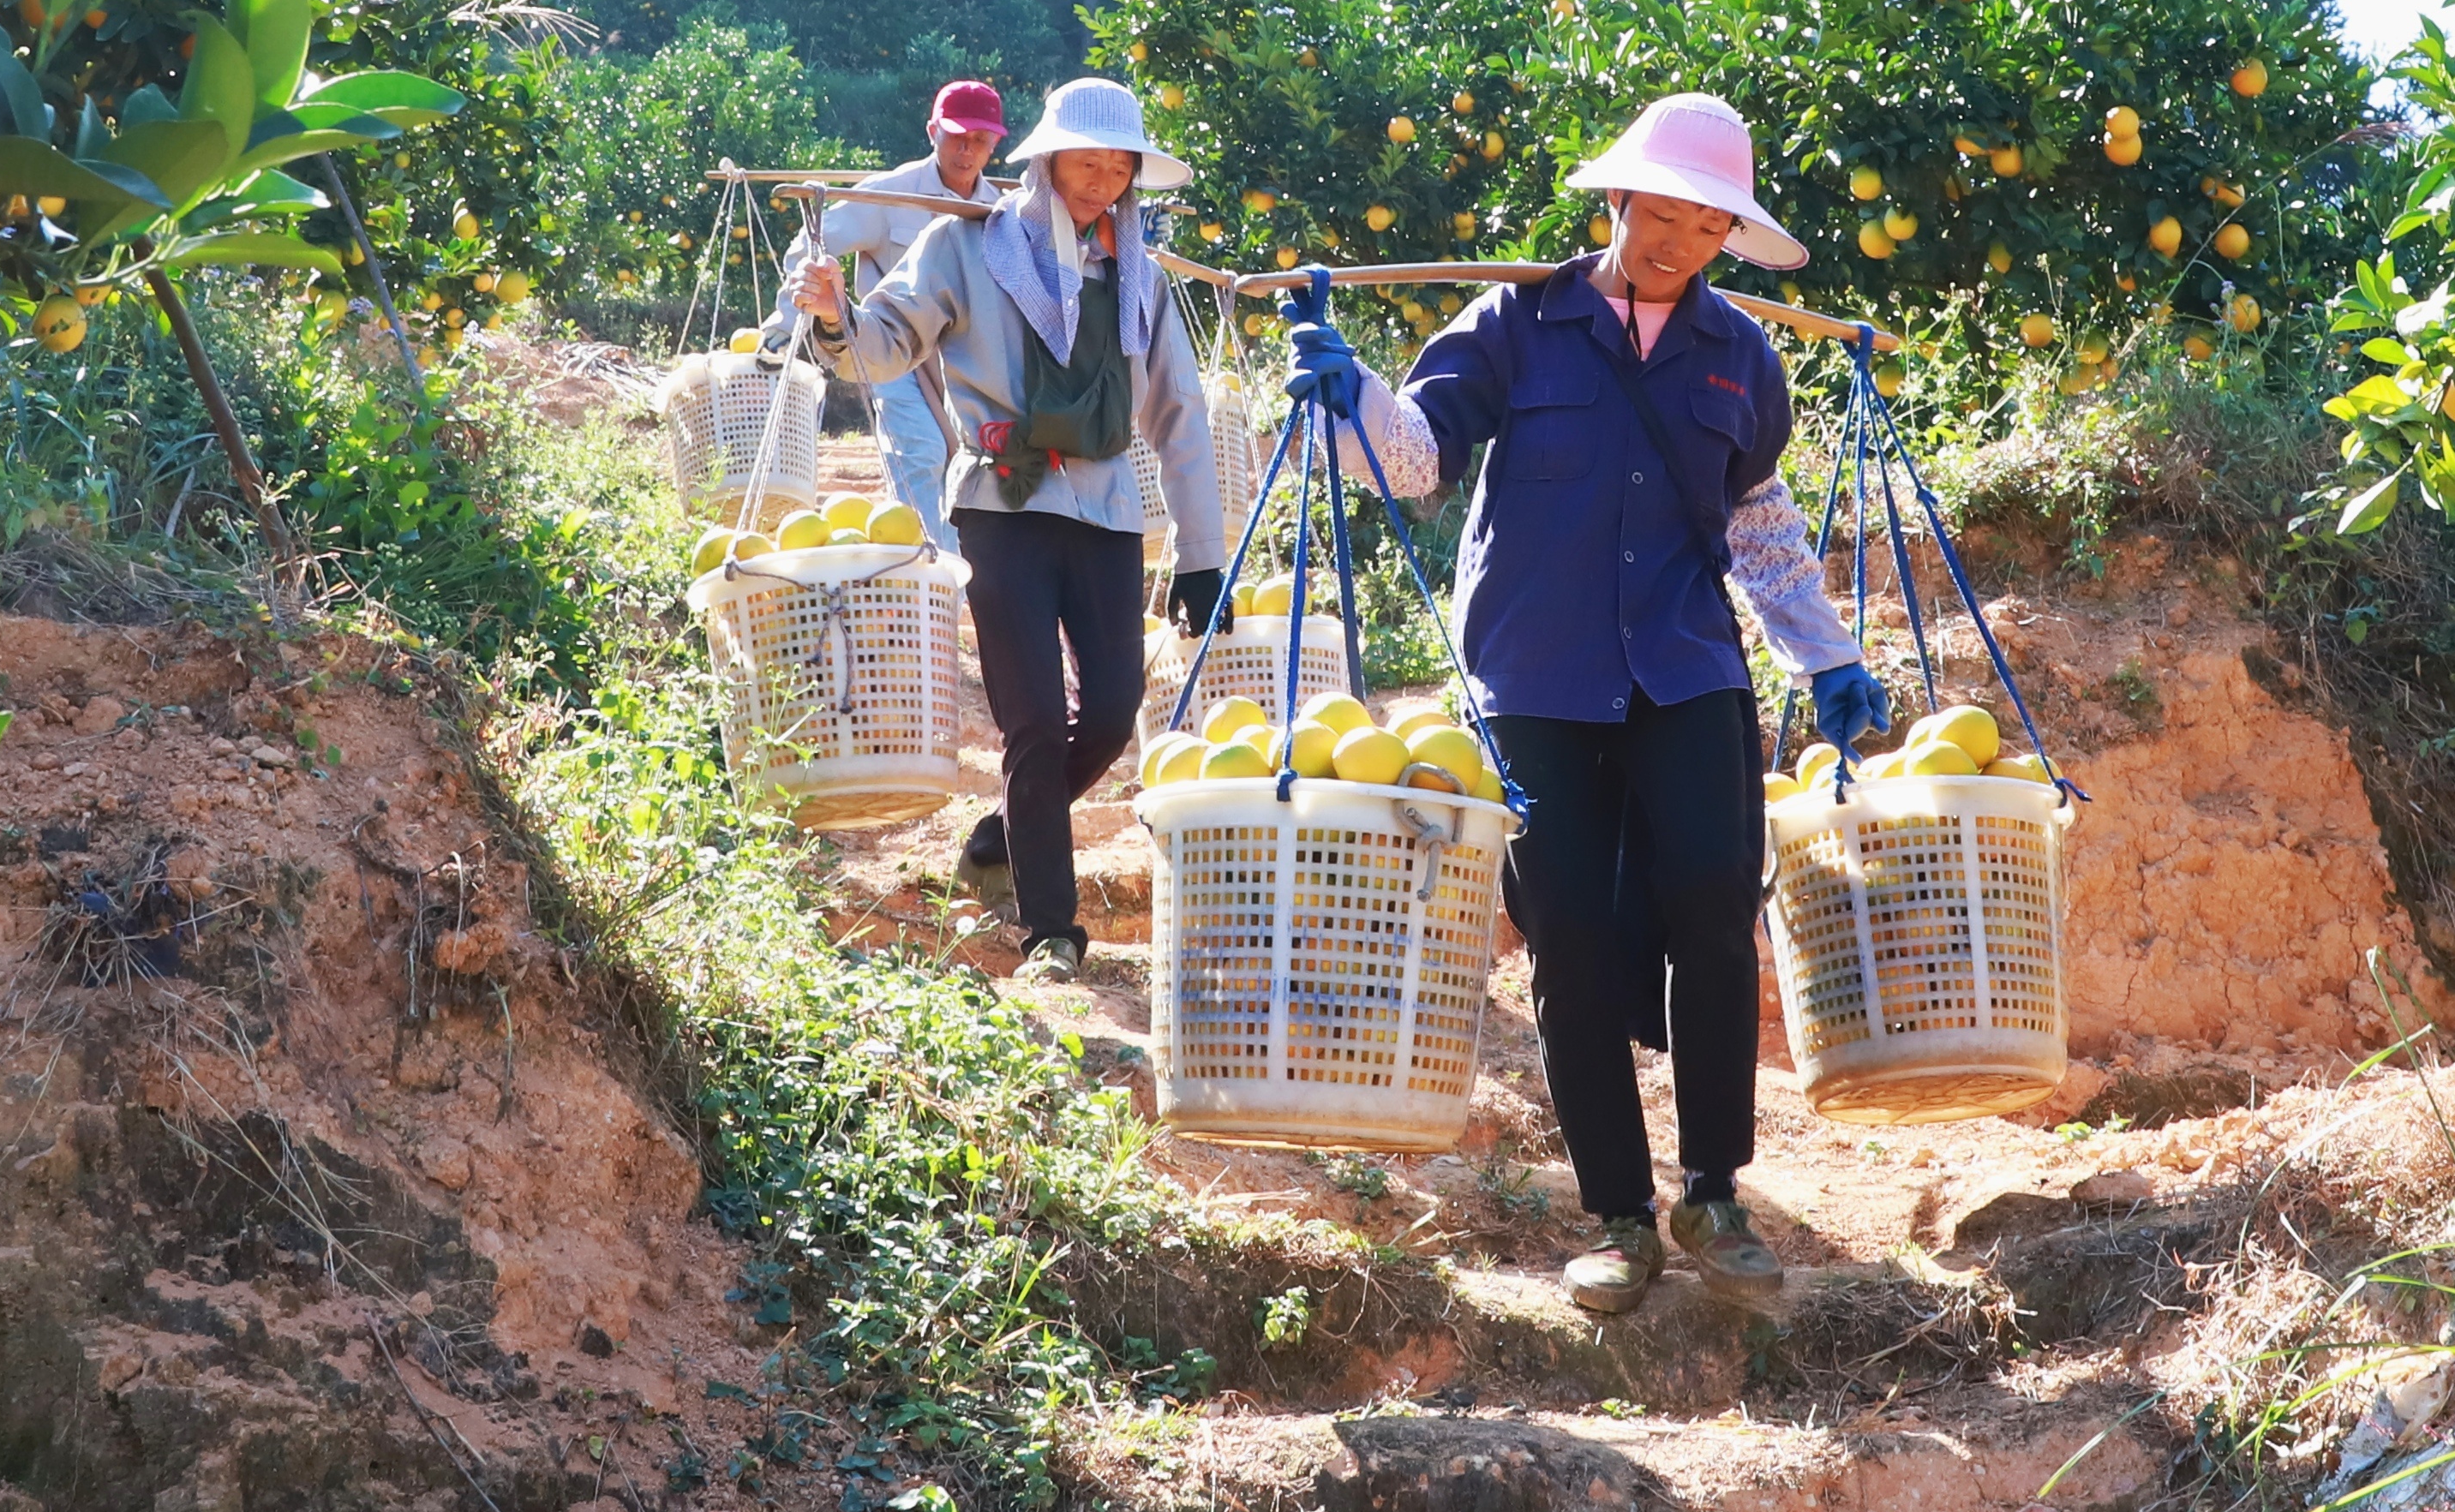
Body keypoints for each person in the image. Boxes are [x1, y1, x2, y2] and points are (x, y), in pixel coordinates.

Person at [1296, 93, 1887, 1317]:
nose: (1673, 242)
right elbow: (1412, 461)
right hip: (1537, 674)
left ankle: (1713, 1188)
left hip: (1684, 663)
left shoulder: (1740, 352)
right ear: (1614, 201)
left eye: (1703, 223)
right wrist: (1347, 391)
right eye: (1656, 214)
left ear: (1730, 230)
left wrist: (1823, 653)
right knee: (1565, 935)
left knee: (1714, 910)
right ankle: (1617, 1215)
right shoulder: (1516, 323)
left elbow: (1761, 525)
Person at [797, 78, 1224, 977]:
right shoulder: (967, 245)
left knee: (1108, 712)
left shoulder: (1138, 270)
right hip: (1001, 504)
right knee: (1031, 718)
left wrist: (1201, 554)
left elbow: (1180, 410)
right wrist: (834, 312)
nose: (1102, 180)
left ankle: (1002, 832)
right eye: (1086, 161)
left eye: (1120, 167)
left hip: (1106, 513)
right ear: (1045, 159)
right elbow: (882, 345)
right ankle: (1052, 932)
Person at [804, 79, 1013, 559]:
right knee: (920, 453)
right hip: (894, 353)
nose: (967, 151)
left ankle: (959, 577)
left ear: (995, 144)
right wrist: (789, 321)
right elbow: (812, 246)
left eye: (980, 141)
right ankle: (926, 578)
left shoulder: (1002, 213)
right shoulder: (890, 195)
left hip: (962, 361)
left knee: (972, 469)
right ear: (932, 131)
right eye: (956, 137)